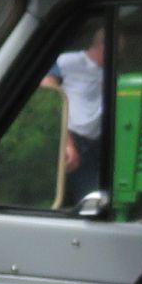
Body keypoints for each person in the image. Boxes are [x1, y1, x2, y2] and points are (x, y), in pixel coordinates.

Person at [44, 28, 107, 209]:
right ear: (101, 46)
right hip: (73, 139)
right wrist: (67, 142)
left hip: (96, 143)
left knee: (96, 197)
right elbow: (49, 92)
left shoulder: (108, 72)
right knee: (87, 199)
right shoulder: (69, 62)